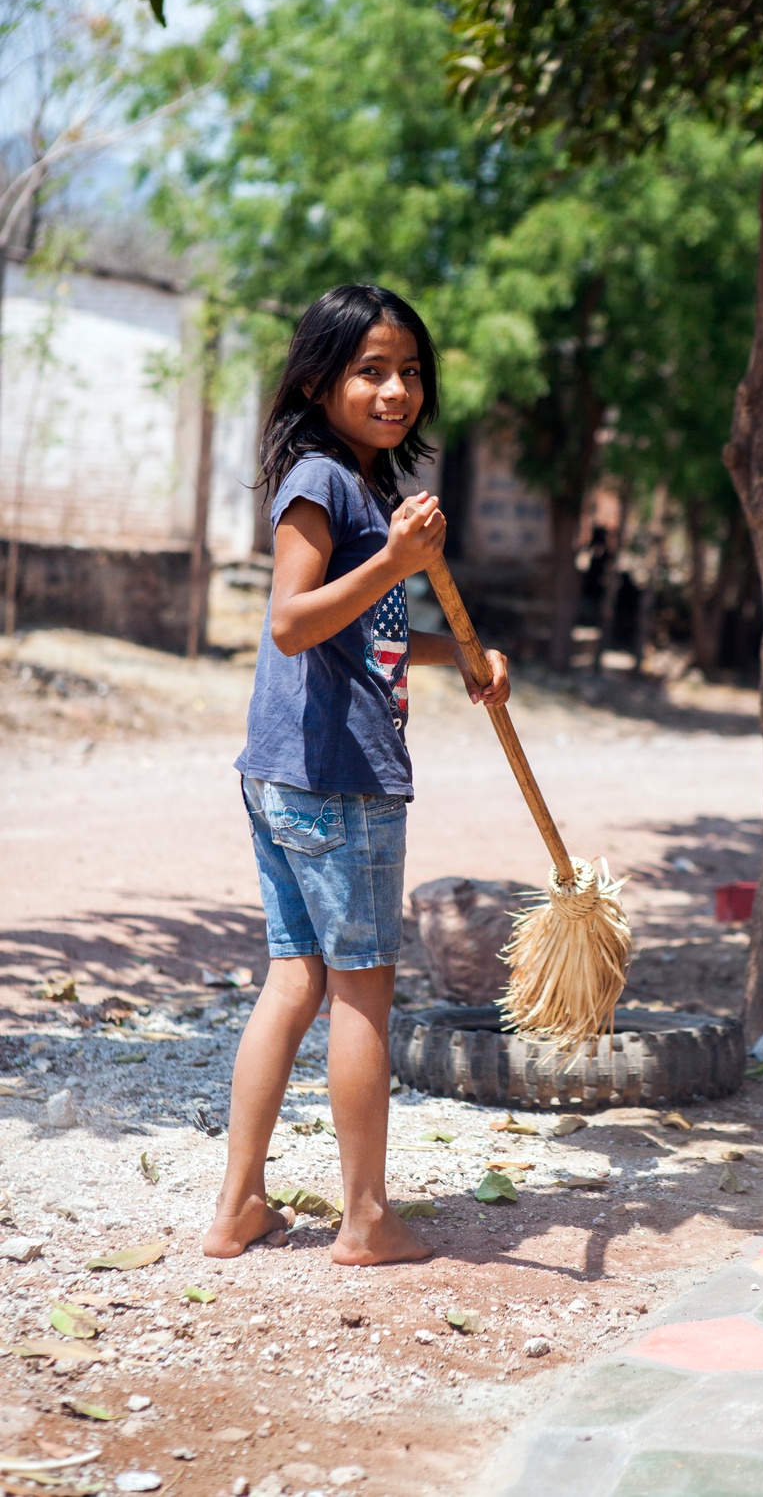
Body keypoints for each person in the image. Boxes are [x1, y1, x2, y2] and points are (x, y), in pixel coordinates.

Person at [203, 284, 509, 1266]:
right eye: (371, 371)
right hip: (338, 776)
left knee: (292, 978)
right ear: (316, 380)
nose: (396, 390)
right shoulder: (321, 482)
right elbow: (292, 621)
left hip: (288, 772)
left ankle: (240, 1206)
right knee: (362, 991)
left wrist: (453, 653)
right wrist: (400, 559)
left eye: (409, 371)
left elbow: (356, 630)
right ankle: (367, 1218)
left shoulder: (363, 490)